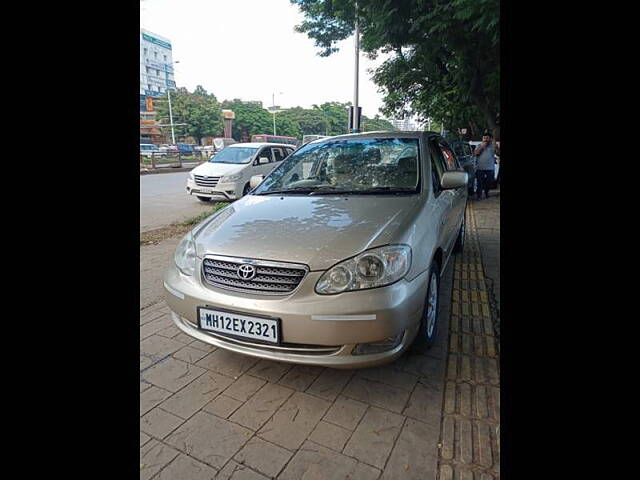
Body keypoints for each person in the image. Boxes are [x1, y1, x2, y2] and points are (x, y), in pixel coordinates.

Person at [473, 132, 500, 199]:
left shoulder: (493, 146)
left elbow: (498, 154)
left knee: (489, 182)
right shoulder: (479, 145)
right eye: (484, 138)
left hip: (490, 168)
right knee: (479, 183)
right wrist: (482, 147)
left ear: (490, 139)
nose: (485, 139)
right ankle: (479, 196)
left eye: (487, 138)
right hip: (480, 168)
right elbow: (475, 153)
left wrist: (496, 148)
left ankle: (486, 192)